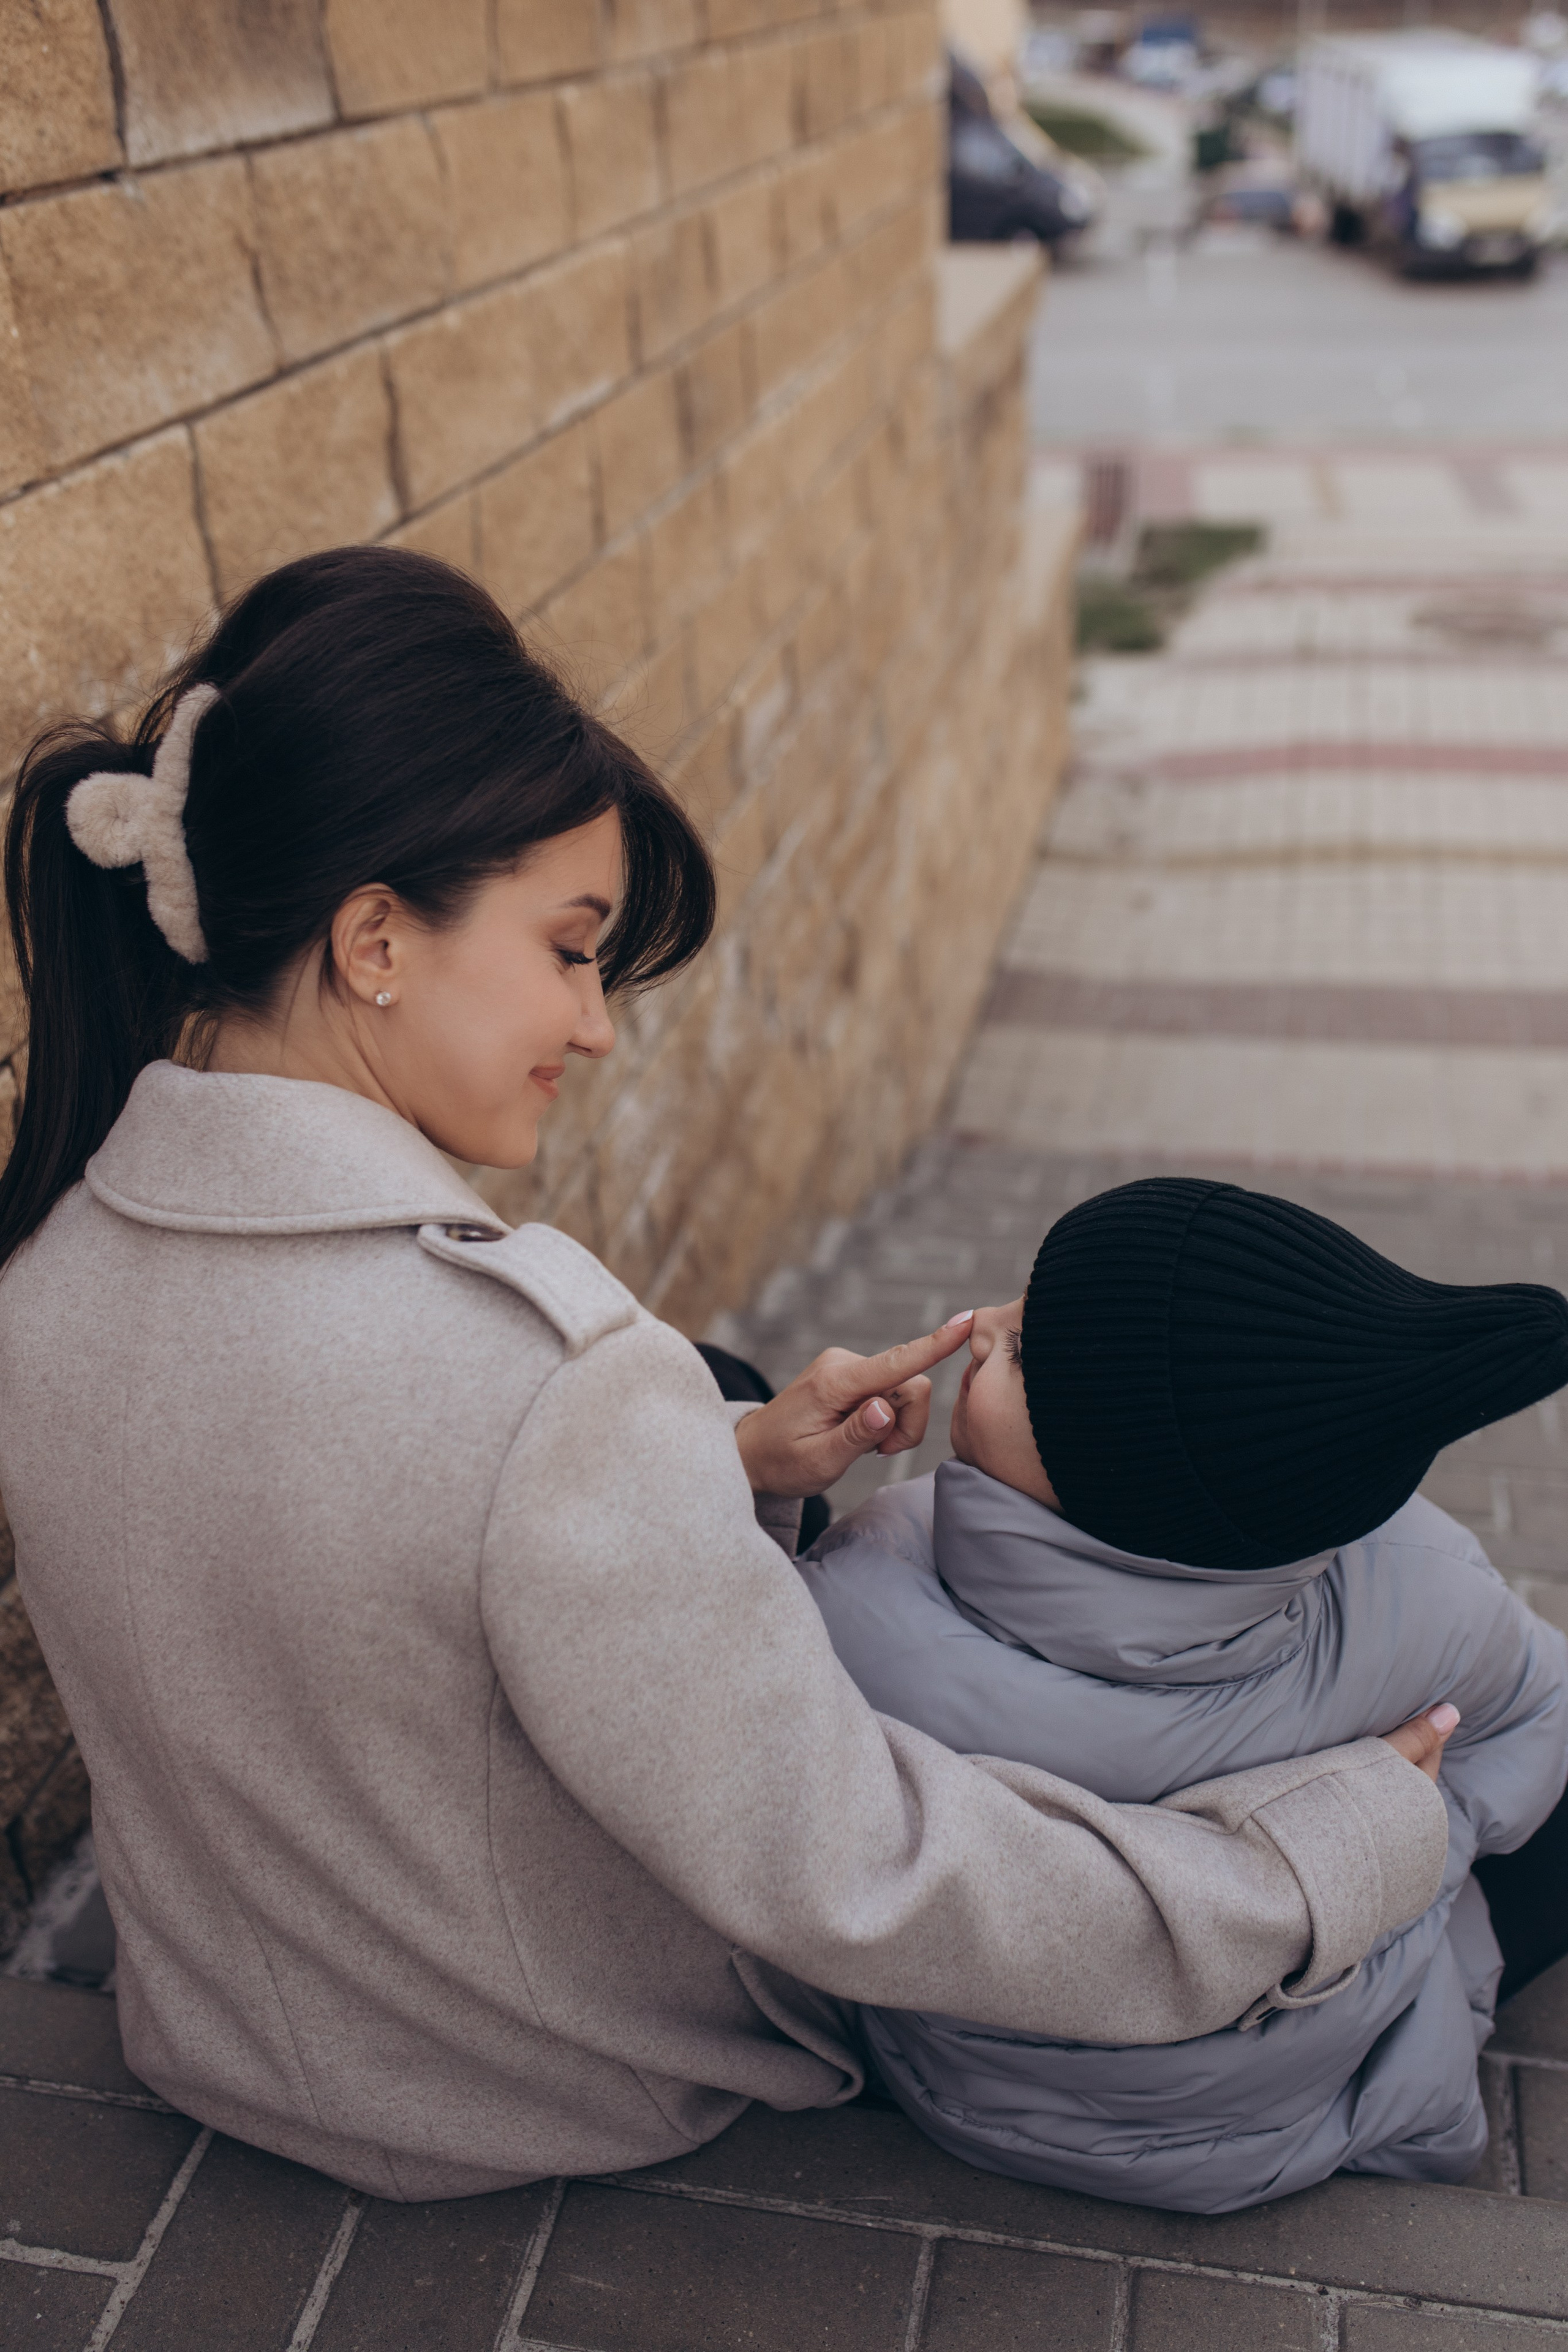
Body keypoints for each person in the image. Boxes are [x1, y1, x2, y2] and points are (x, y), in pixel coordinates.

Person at [0, 548, 1456, 2201]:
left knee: (721, 1382)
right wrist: (1308, 1872)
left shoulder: (51, 1261)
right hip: (521, 2088)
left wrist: (723, 1463)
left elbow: (347, 1557)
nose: (598, 1023)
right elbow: (862, 1868)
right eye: (568, 948)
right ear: (376, 943)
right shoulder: (540, 1376)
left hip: (227, 2040)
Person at [800, 1178, 1568, 2212]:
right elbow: (1535, 1712)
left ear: (1109, 1475)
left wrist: (762, 1488)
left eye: (1023, 1351)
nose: (980, 1328)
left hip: (974, 2097)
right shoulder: (1420, 1580)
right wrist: (1416, 1852)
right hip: (1297, 2084)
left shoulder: (858, 1602)